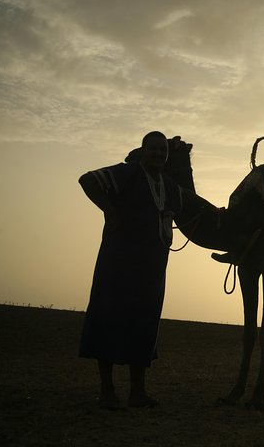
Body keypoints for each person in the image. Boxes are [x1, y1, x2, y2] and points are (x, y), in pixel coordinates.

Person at [78, 131, 183, 409]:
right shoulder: (127, 173)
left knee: (144, 325)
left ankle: (138, 392)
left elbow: (181, 211)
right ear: (143, 149)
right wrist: (109, 211)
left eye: (164, 151)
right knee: (109, 320)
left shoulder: (170, 186)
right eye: (154, 149)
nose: (159, 154)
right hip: (118, 263)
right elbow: (88, 180)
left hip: (152, 268)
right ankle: (107, 391)